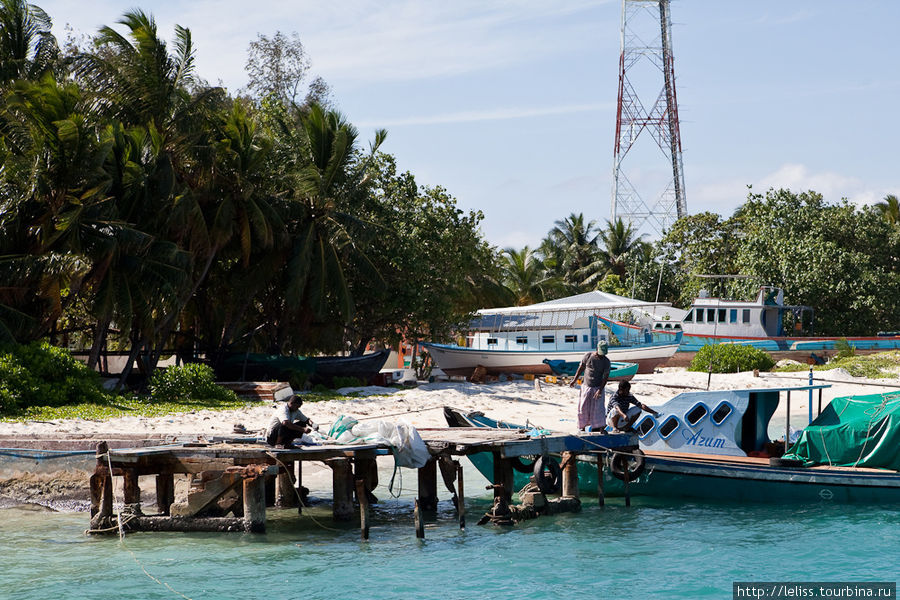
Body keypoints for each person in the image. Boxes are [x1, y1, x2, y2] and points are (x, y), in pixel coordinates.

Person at [569, 340, 611, 431]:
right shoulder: (588, 356)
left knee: (598, 409)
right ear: (596, 349)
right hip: (586, 386)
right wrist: (574, 380)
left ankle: (600, 428)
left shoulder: (606, 362)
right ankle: (582, 427)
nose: (601, 356)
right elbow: (581, 368)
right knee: (583, 407)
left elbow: (605, 377)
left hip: (597, 387)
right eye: (600, 353)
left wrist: (600, 390)